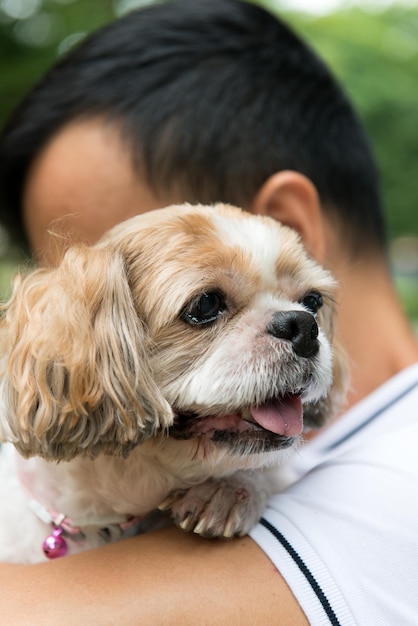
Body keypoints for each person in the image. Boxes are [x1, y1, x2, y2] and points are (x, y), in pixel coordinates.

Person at [0, 0, 417, 623]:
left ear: (286, 225)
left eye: (308, 304)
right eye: (205, 307)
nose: (71, 328)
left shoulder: (388, 489)